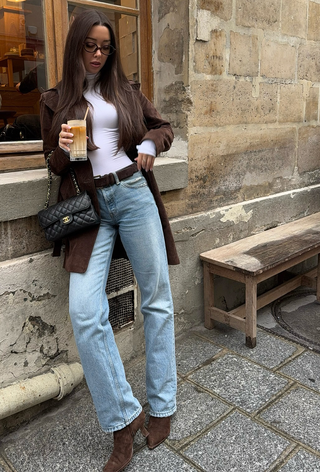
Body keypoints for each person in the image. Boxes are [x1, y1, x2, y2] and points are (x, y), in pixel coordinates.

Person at [40, 9, 179, 472]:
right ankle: (124, 416)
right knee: (84, 309)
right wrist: (61, 147)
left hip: (134, 194)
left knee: (156, 300)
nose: (99, 54)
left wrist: (148, 146)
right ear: (75, 45)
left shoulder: (127, 91)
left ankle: (162, 405)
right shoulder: (55, 99)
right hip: (90, 209)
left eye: (106, 47)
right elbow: (55, 166)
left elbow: (164, 129)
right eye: (90, 46)